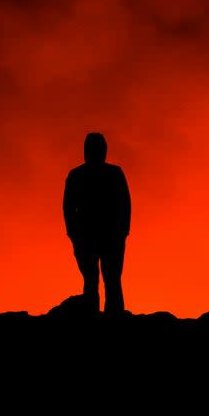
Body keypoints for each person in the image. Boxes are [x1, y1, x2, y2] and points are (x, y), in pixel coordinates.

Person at [62, 131, 132, 316]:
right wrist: (73, 234)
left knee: (108, 280)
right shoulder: (107, 174)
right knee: (98, 279)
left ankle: (104, 317)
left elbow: (125, 205)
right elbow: (69, 208)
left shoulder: (84, 175)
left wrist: (122, 231)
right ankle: (104, 317)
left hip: (105, 236)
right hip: (93, 236)